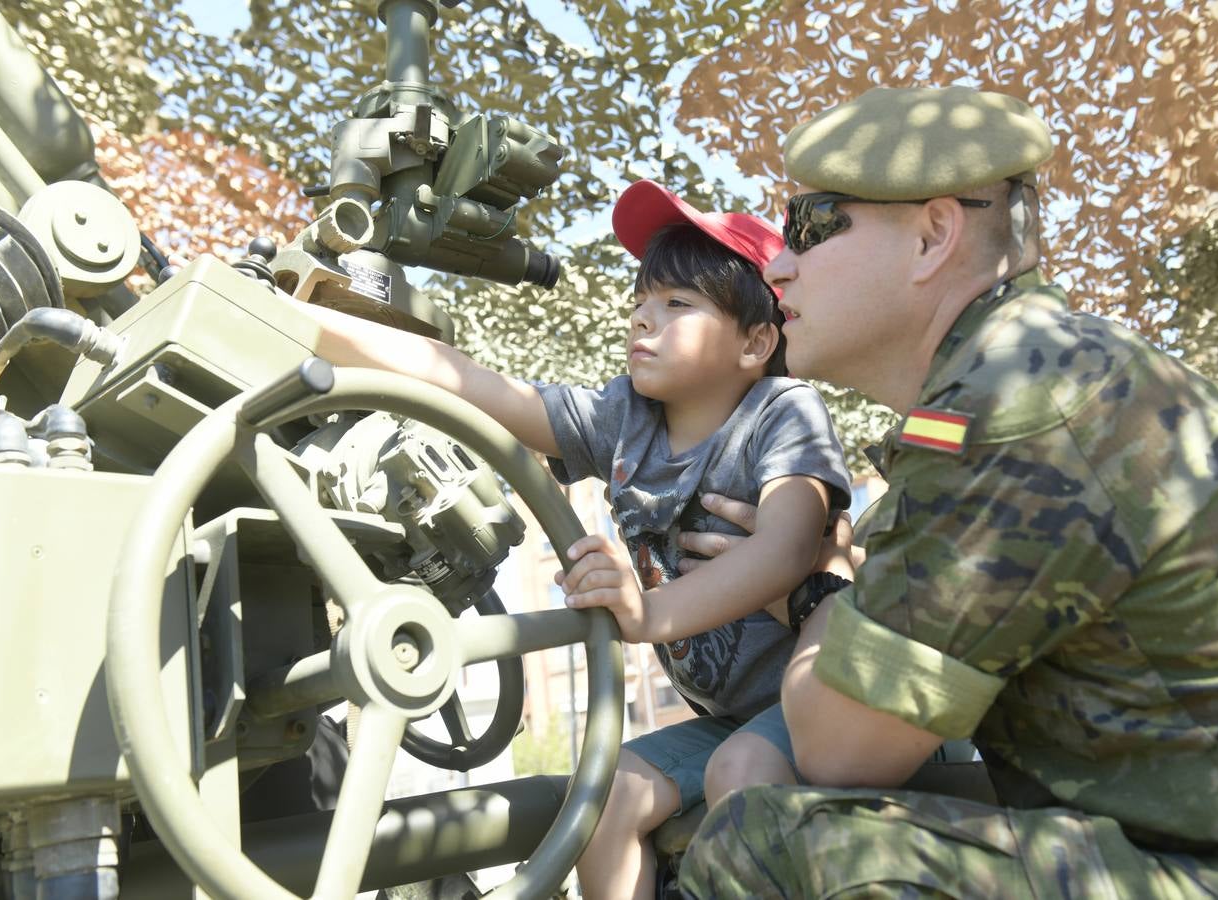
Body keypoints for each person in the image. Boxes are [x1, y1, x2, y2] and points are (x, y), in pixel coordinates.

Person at [675, 86, 1218, 897]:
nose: (777, 264)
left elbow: (841, 748)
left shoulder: (1009, 408)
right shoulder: (1035, 368)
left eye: (812, 224)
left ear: (933, 236)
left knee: (758, 844)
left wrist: (815, 592)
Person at [299, 179, 853, 899]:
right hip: (730, 718)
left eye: (677, 305)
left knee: (741, 771)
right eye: (640, 302)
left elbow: (786, 549)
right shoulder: (626, 420)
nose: (643, 318)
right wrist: (300, 322)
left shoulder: (783, 413)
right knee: (604, 796)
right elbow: (473, 385)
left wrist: (647, 613)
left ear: (755, 341)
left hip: (826, 704)